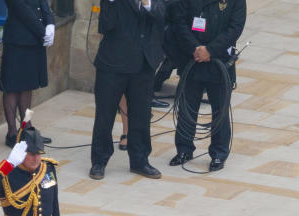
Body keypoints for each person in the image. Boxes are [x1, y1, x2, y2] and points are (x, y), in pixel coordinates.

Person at [89, 0, 166, 181]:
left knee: (141, 114)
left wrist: (147, 4)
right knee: (105, 114)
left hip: (143, 64)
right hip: (113, 63)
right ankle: (99, 160)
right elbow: (105, 26)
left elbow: (163, 13)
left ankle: (140, 160)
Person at [167, 0, 246, 171]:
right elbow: (179, 21)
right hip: (192, 58)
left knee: (220, 111)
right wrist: (195, 48)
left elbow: (235, 27)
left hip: (219, 62)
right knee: (187, 108)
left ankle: (218, 153)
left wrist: (210, 51)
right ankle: (184, 149)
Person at [0, 0, 54, 147]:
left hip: (34, 41)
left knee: (27, 86)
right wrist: (43, 32)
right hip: (17, 41)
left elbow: (43, 3)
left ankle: (27, 129)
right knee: (12, 87)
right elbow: (21, 9)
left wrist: (50, 23)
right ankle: (12, 133)